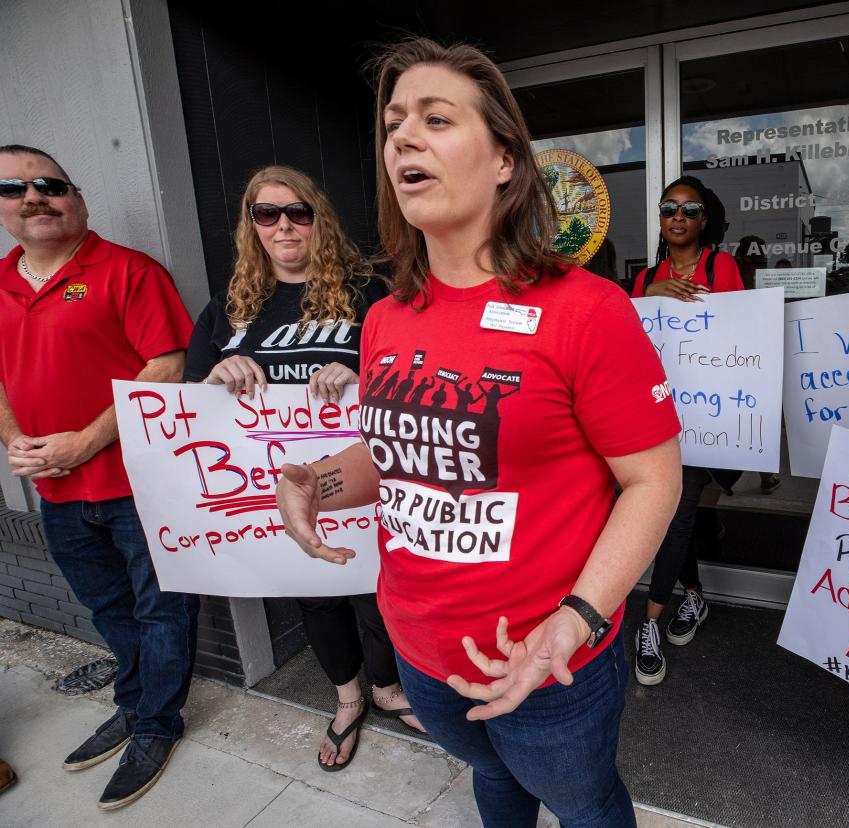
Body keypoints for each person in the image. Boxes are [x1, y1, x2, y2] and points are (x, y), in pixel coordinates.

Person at [275, 38, 682, 826]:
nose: (403, 138)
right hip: (420, 650)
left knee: (583, 802)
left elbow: (653, 479)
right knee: (491, 780)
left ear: (504, 160)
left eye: (435, 118)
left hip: (547, 659)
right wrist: (316, 483)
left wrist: (578, 620)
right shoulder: (388, 317)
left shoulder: (586, 309)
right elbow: (401, 454)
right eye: (393, 124)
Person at [183, 165, 422, 771]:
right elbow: (190, 405)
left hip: (366, 483)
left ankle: (387, 689)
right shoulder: (230, 308)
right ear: (251, 226)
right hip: (276, 488)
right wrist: (217, 378)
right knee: (315, 597)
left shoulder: (370, 293)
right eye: (267, 214)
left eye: (298, 212)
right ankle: (347, 700)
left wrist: (367, 379)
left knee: (377, 593)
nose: (284, 225)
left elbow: (419, 383)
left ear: (319, 217)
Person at [0, 144, 197, 810]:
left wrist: (82, 442)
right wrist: (15, 442)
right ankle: (136, 704)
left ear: (76, 198)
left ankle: (157, 725)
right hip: (55, 493)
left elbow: (166, 367)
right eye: (13, 188)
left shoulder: (125, 271)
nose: (32, 197)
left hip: (139, 486)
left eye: (48, 184)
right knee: (110, 608)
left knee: (161, 610)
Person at [629, 176, 743, 685]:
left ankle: (649, 621)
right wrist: (651, 297)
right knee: (682, 514)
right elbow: (626, 342)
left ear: (703, 221)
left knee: (675, 517)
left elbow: (742, 330)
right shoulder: (645, 277)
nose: (678, 216)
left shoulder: (723, 267)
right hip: (655, 416)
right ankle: (694, 596)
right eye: (668, 208)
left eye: (689, 209)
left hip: (706, 415)